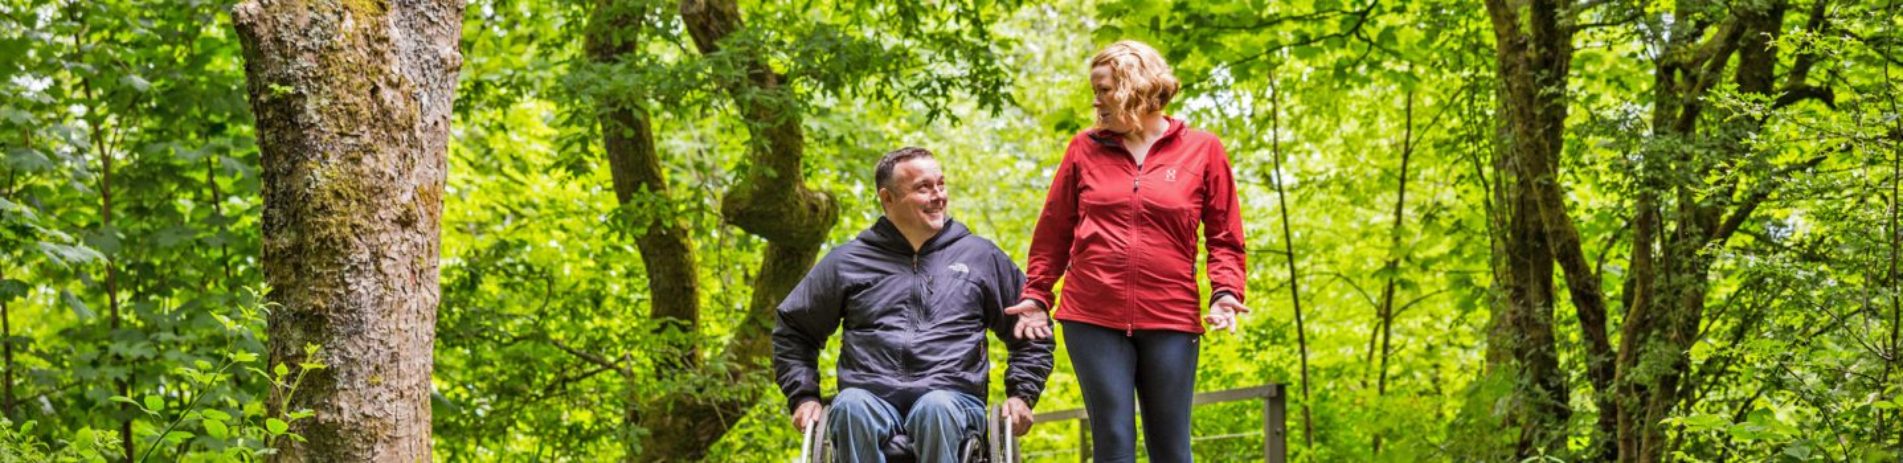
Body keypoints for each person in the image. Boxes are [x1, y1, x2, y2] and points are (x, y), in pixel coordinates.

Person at [1002, 40, 1250, 463]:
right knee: (1113, 441)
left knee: (1172, 447)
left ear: (1136, 88)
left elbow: (1225, 235)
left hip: (1170, 315)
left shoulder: (1203, 150)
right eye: (1094, 90)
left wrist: (1227, 291)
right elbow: (1053, 231)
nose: (1095, 101)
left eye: (1104, 90)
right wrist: (1037, 295)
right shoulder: (1083, 148)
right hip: (1092, 315)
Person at [773, 147, 1056, 463]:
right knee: (850, 406)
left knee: (935, 408)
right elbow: (794, 330)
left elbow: (1033, 329)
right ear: (888, 198)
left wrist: (1021, 395)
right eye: (924, 187)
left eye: (941, 184)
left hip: (953, 400)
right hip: (870, 398)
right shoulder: (848, 262)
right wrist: (803, 396)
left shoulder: (980, 258)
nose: (939, 196)